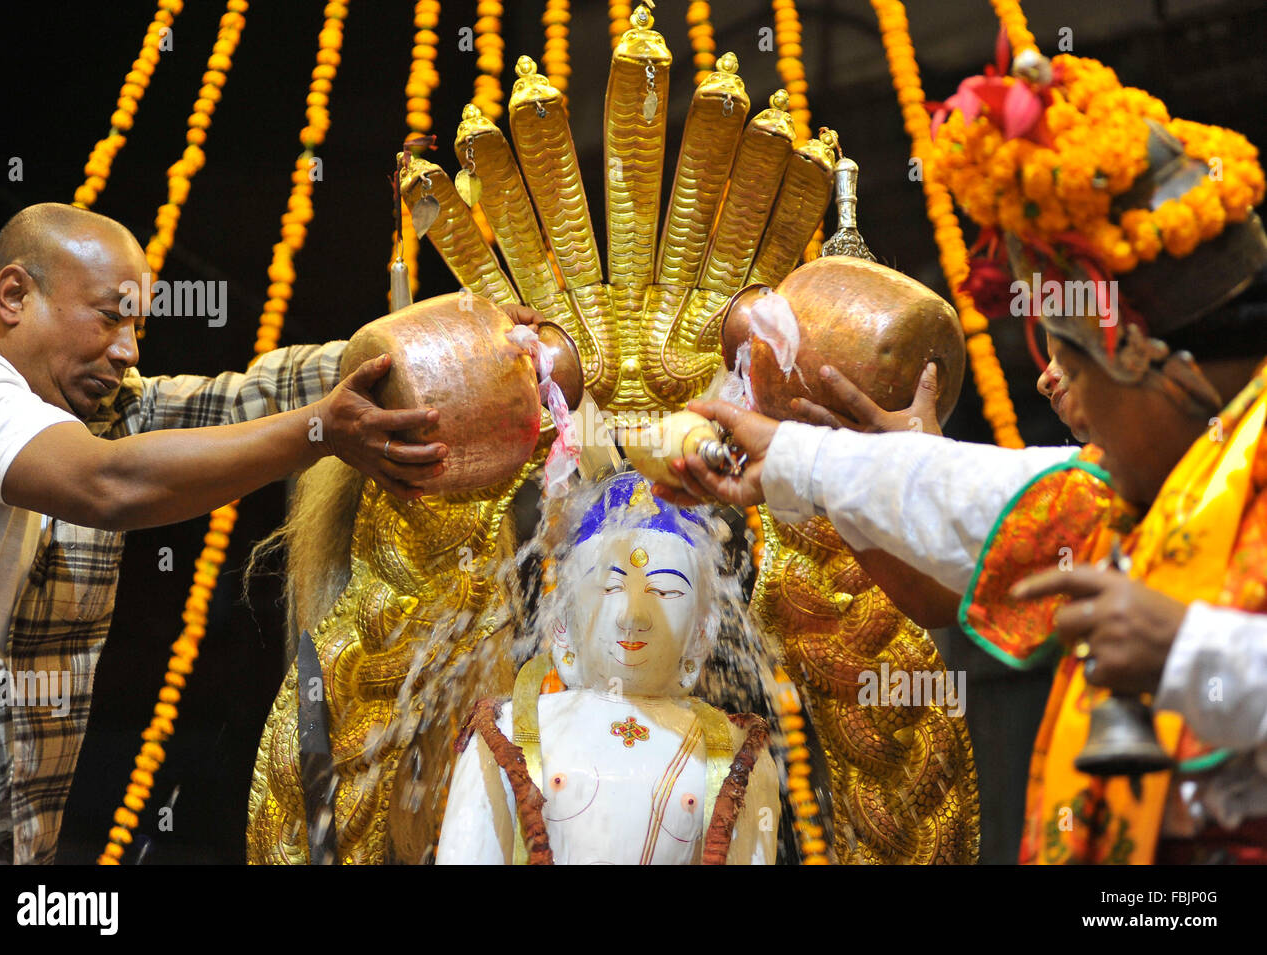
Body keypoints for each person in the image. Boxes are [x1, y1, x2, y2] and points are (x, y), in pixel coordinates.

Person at [658, 45, 1267, 863]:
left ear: (1138, 352)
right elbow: (1001, 500)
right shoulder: (1159, 491)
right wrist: (822, 464)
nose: (1058, 391)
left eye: (1072, 363)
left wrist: (1190, 651)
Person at [0, 202, 450, 863]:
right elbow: (109, 485)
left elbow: (244, 399)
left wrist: (431, 354)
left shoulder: (92, 414)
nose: (127, 351)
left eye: (137, 327)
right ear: (15, 295)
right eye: (110, 318)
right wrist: (321, 428)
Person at [436, 471, 777, 864]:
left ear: (702, 633)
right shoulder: (506, 732)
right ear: (561, 623)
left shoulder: (736, 752)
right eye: (609, 587)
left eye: (664, 591)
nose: (632, 616)